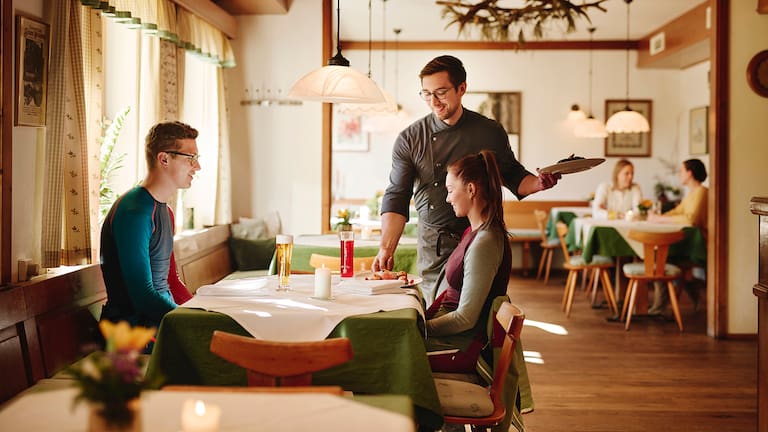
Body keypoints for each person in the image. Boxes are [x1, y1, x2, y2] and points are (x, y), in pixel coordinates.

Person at [373, 55, 560, 304]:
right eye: (426, 94)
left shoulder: (489, 131)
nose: (433, 102)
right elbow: (397, 195)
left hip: (480, 240)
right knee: (437, 310)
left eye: (440, 92)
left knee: (477, 315)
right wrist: (386, 248)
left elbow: (514, 176)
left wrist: (540, 182)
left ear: (462, 89)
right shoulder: (411, 138)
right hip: (434, 245)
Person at [100, 121, 201, 331]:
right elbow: (144, 297)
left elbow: (171, 280)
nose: (197, 167)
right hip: (132, 335)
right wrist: (190, 323)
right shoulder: (134, 211)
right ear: (164, 159)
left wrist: (198, 313)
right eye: (191, 158)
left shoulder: (166, 212)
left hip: (162, 324)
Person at [425, 150, 511, 374]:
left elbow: (465, 318)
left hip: (463, 347)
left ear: (471, 189)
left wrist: (420, 328)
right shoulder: (474, 232)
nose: (447, 198)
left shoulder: (485, 242)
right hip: (454, 338)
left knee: (390, 355)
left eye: (451, 190)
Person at [647, 158, 708, 313]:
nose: (679, 174)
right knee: (659, 255)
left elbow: (691, 220)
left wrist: (659, 219)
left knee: (659, 257)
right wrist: (658, 216)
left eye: (681, 171)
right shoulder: (692, 193)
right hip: (687, 242)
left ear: (689, 173)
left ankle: (659, 305)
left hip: (699, 245)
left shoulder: (702, 192)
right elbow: (678, 211)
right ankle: (665, 302)